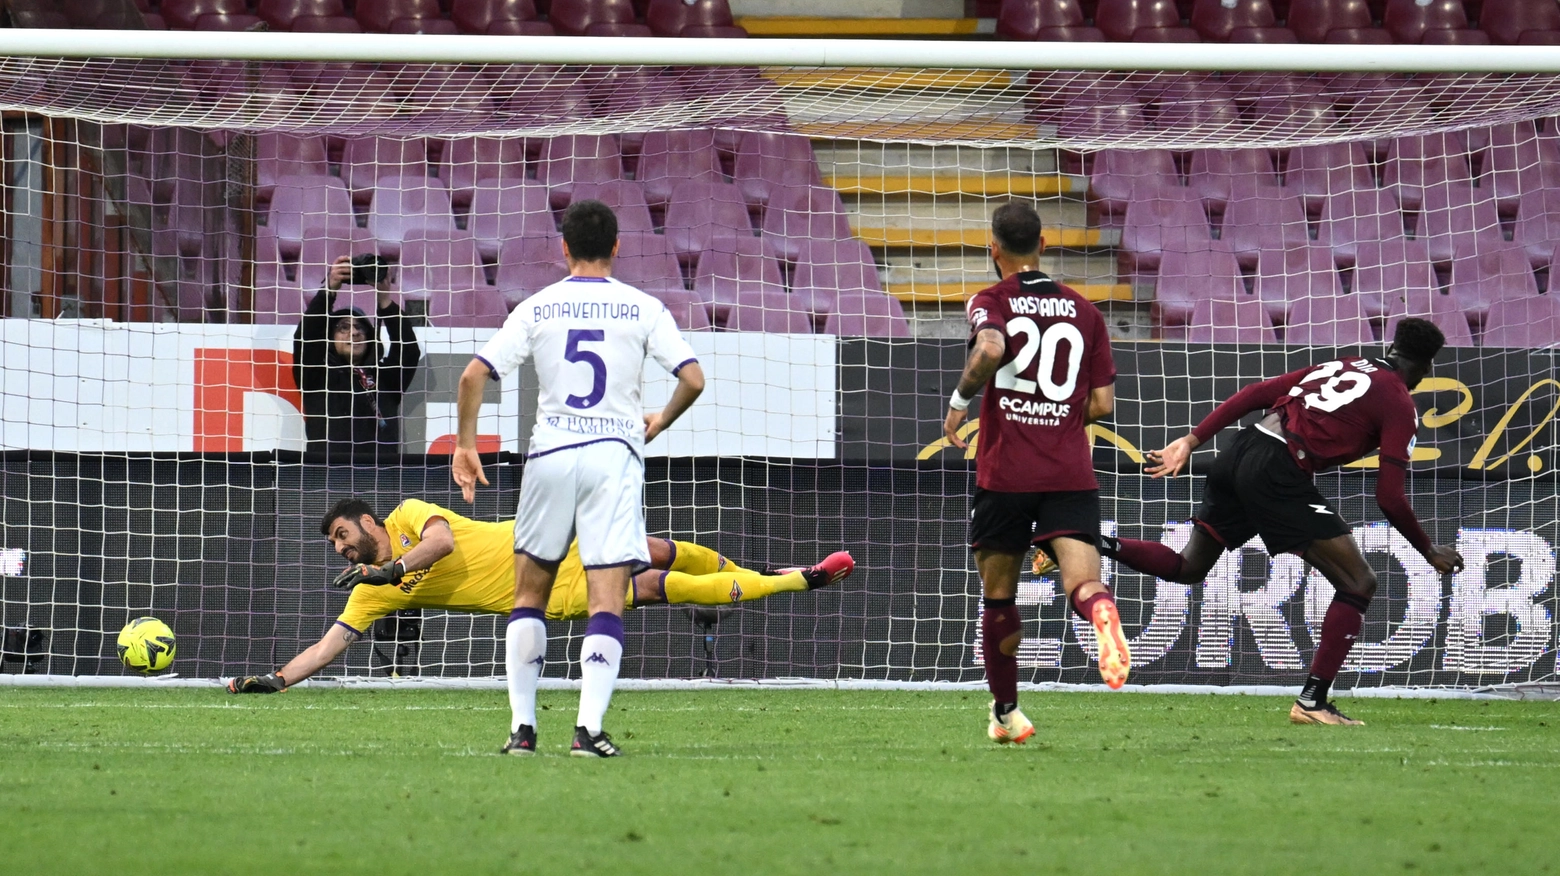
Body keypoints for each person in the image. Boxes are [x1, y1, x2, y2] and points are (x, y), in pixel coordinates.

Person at [1088, 317, 1464, 725]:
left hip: (1240, 449)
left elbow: (1255, 393)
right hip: (1277, 468)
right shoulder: (1400, 404)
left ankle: (1088, 541)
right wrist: (1428, 549)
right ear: (1427, 369)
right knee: (1359, 583)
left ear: (1393, 349)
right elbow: (1388, 496)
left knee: (1189, 566)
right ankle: (1312, 702)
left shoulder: (1347, 363)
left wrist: (1192, 440)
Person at [452, 199, 712, 758]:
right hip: (611, 459)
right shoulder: (644, 308)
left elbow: (473, 374)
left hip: (550, 455)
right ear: (617, 247)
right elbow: (693, 378)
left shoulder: (538, 307)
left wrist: (467, 444)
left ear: (563, 249)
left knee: (529, 593)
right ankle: (587, 732)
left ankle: (522, 731)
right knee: (605, 599)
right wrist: (659, 420)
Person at [226, 497, 855, 705]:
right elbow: (331, 643)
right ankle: (802, 579)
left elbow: (442, 544)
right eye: (336, 546)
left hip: (557, 539)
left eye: (342, 536)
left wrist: (391, 571)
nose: (341, 550)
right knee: (661, 585)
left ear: (367, 521)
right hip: (554, 591)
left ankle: (761, 572)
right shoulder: (371, 591)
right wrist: (277, 681)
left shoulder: (410, 519)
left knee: (665, 548)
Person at [942, 201, 1130, 747]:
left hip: (1006, 475)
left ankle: (1007, 712)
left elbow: (993, 346)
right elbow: (1102, 402)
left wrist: (959, 402)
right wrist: (1058, 412)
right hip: (1070, 471)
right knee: (1084, 581)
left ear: (993, 248)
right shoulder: (1086, 312)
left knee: (999, 598)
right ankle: (1102, 612)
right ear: (1043, 245)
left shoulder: (991, 300)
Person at [292, 254, 420, 460]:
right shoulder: (315, 376)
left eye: (360, 327)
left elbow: (409, 351)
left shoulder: (386, 378)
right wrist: (329, 291)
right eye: (343, 327)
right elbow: (306, 337)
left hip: (381, 479)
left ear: (370, 338)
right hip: (325, 479)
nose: (354, 332)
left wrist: (385, 301)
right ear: (330, 339)